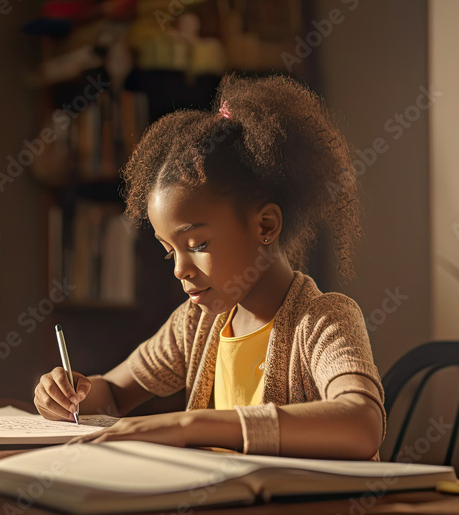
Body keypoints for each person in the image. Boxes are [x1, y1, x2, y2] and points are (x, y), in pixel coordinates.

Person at [33, 74, 385, 460]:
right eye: (170, 251)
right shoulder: (194, 324)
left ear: (265, 225)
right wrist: (69, 393)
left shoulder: (323, 321)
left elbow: (363, 423)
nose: (179, 270)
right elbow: (114, 395)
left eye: (198, 244)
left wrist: (189, 426)